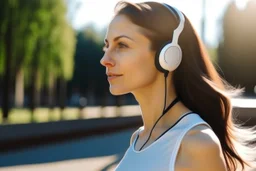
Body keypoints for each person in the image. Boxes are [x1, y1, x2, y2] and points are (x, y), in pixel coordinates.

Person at [100, 1, 256, 171]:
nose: (105, 60)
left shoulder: (196, 145)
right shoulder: (139, 138)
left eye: (122, 45)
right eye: (106, 46)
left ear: (167, 55)